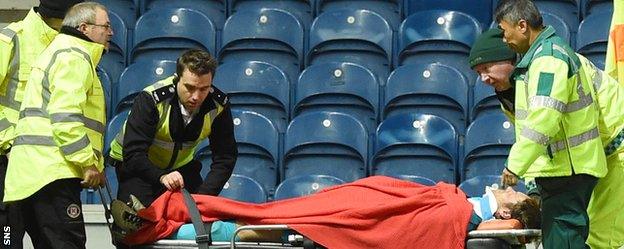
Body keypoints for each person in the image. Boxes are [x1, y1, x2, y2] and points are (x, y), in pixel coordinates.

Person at [469, 27, 624, 249]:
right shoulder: (513, 92)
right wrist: (534, 189)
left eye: (486, 68)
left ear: (509, 59)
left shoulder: (550, 64)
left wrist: (515, 167)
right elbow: (533, 140)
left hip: (615, 148)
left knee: (603, 236)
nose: (484, 78)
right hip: (587, 159)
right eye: (477, 73)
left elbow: (545, 123)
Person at [110, 176, 540, 247]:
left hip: (390, 214)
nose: (503, 189)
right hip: (375, 198)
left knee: (275, 223)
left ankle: (169, 228)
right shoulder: (466, 200)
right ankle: (165, 216)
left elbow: (439, 222)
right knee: (272, 212)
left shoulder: (486, 220)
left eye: (510, 195)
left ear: (510, 215)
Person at [494, 0, 609, 248]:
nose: (504, 39)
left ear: (522, 26)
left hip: (568, 169)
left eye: (504, 31)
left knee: (563, 240)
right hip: (566, 167)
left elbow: (544, 118)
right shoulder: (542, 57)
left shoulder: (549, 60)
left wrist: (515, 164)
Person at [2, 2, 112, 248]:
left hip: (27, 174)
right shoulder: (73, 55)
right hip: (51, 171)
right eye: (105, 26)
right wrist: (87, 163)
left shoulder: (61, 50)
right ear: (84, 27)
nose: (111, 32)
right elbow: (65, 117)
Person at [108, 49, 237, 208]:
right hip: (136, 164)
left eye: (204, 89)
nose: (196, 96)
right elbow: (134, 153)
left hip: (181, 168)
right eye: (189, 87)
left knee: (198, 215)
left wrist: (203, 197)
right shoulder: (152, 99)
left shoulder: (219, 105)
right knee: (137, 221)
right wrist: (161, 177)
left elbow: (226, 157)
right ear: (177, 80)